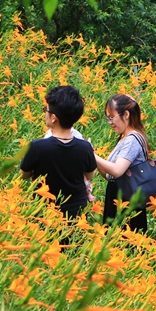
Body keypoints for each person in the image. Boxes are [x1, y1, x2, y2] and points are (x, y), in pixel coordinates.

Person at [20, 85, 97, 219]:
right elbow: (89, 175)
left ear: (54, 117)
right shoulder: (85, 147)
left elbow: (24, 174)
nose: (45, 113)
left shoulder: (37, 147)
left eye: (46, 110)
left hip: (43, 211)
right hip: (75, 213)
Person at [96, 94, 150, 233]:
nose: (110, 122)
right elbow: (110, 176)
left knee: (125, 245)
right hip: (119, 195)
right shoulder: (125, 138)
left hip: (127, 200)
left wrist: (92, 155)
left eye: (111, 117)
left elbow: (117, 170)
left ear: (125, 114)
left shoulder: (132, 139)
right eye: (108, 118)